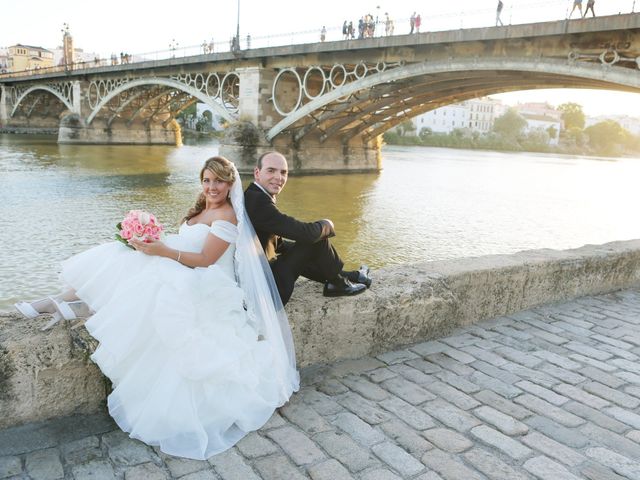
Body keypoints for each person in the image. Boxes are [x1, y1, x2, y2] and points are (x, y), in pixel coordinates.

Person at [14, 156, 299, 460]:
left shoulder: (228, 215)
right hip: (188, 269)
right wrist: (150, 240)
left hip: (208, 281)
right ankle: (64, 298)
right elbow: (184, 247)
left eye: (219, 181)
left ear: (230, 184)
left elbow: (205, 259)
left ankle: (69, 303)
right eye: (206, 180)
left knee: (150, 275)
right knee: (123, 254)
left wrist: (161, 250)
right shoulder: (202, 209)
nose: (212, 187)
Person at [244, 151, 372, 306]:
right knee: (316, 239)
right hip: (269, 291)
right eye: (271, 170)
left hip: (261, 277)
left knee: (307, 245)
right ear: (257, 173)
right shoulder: (258, 201)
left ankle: (351, 276)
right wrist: (327, 225)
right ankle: (338, 284)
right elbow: (306, 234)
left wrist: (305, 250)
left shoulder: (255, 195)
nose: (279, 177)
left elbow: (278, 246)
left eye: (283, 172)